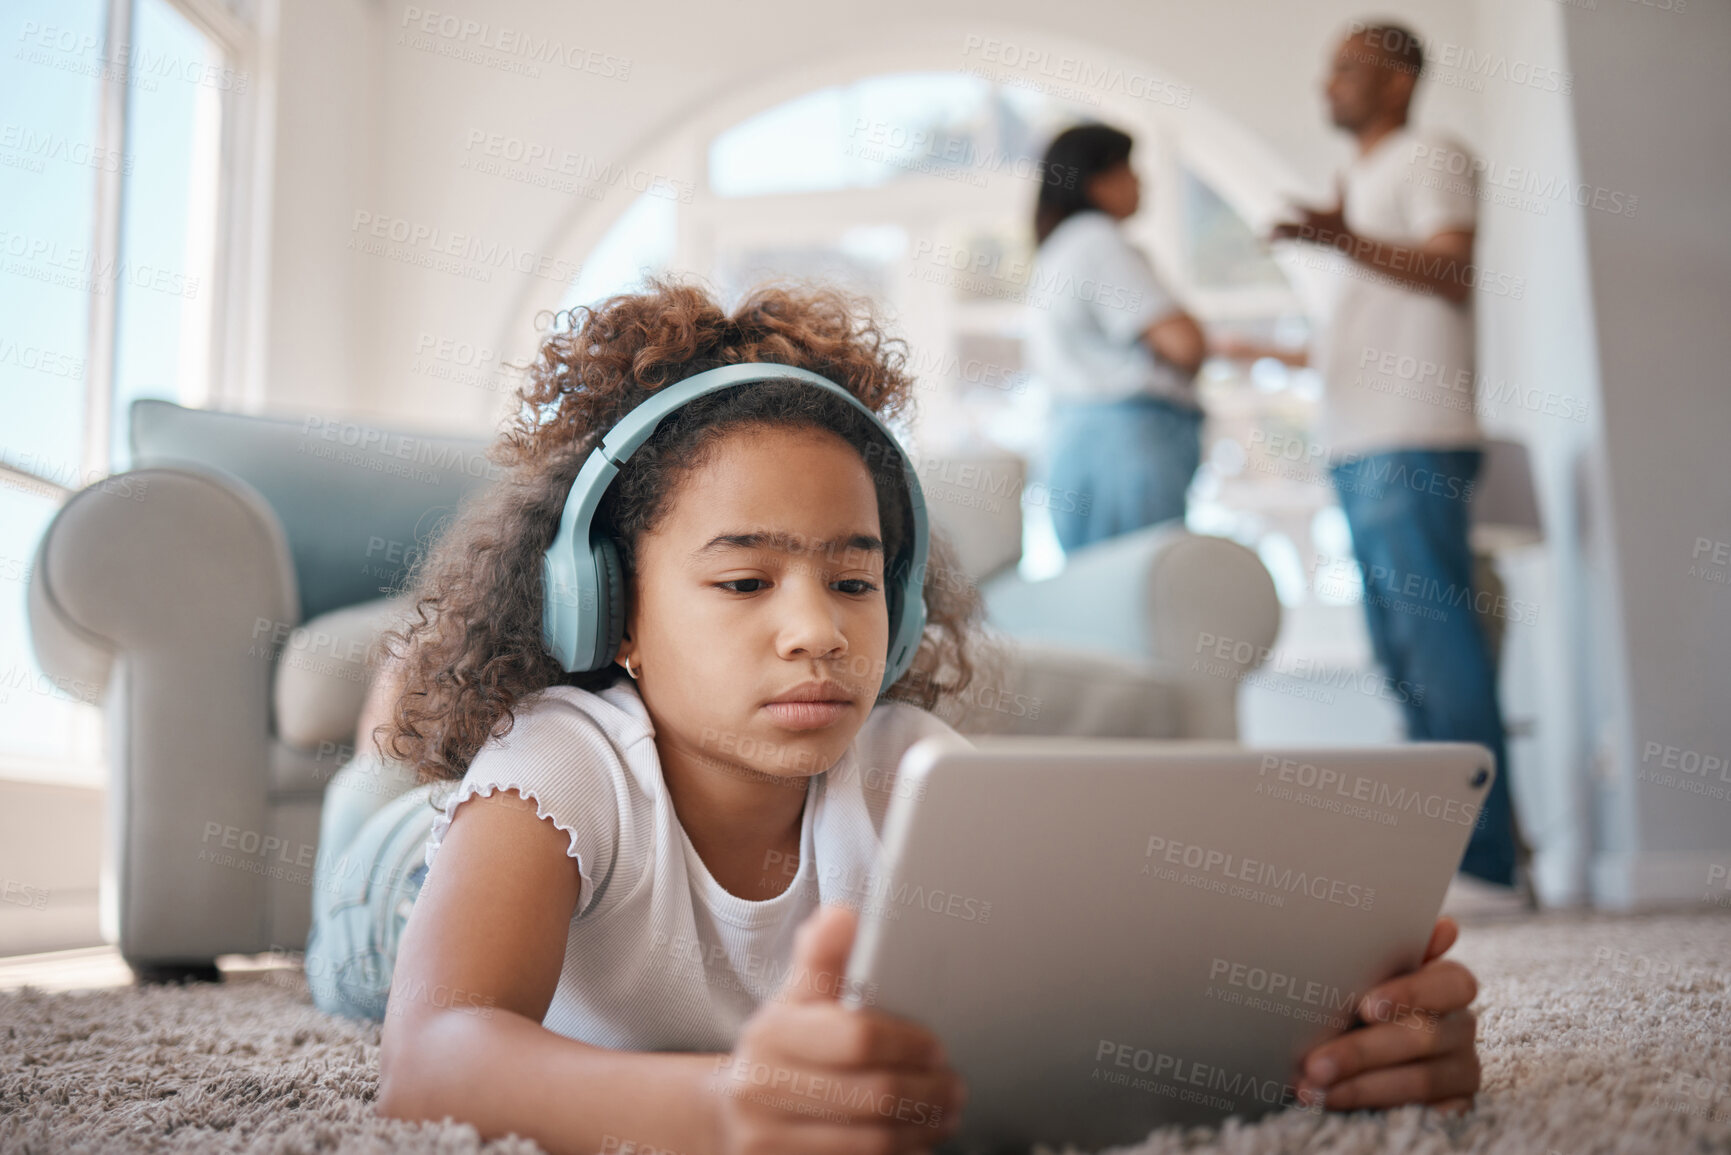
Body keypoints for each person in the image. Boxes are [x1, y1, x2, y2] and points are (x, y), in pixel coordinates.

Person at [306, 277, 1486, 1154]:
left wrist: (1338, 1034)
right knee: (385, 800)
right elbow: (433, 1057)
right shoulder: (559, 763)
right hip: (398, 882)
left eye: (855, 580)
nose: (818, 628)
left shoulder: (912, 769)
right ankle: (386, 735)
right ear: (612, 611)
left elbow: (1087, 1001)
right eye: (744, 580)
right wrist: (721, 1110)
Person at [1244, 21, 1522, 902]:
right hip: (1362, 441)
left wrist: (1342, 240)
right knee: (1401, 653)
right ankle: (1447, 858)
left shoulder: (1430, 154)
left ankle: (1487, 865)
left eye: (1345, 69)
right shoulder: (1361, 179)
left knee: (1439, 646)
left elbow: (1451, 268)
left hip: (1415, 434)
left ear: (1397, 81)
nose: (1326, 83)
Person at [1026, 123, 1208, 551]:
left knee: (1099, 598)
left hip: (1076, 442)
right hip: (1126, 444)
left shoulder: (1058, 248)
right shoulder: (1097, 240)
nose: (1141, 180)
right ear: (1097, 182)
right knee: (1143, 597)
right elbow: (1186, 345)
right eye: (1129, 169)